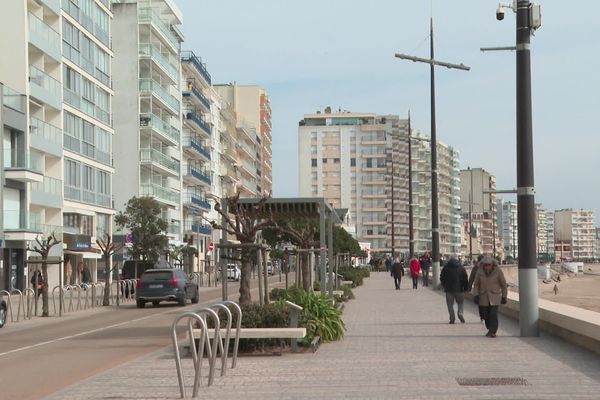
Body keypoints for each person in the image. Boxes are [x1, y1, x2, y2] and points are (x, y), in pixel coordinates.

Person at [472, 255, 508, 338]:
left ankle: (492, 331)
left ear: (492, 264)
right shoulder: (479, 271)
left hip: (494, 296)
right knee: (485, 314)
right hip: (483, 296)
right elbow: (476, 284)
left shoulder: (498, 271)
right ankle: (489, 327)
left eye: (489, 265)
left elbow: (503, 284)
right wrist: (476, 295)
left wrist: (504, 296)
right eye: (485, 265)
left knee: (493, 314)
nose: (487, 266)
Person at [440, 258, 469, 324]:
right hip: (459, 289)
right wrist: (466, 288)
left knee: (450, 304)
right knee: (460, 302)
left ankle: (452, 318)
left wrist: (444, 285)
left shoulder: (446, 268)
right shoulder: (461, 268)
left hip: (449, 289)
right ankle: (460, 313)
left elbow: (442, 277)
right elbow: (465, 278)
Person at [468, 255, 485, 322]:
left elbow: (471, 278)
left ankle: (482, 317)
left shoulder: (475, 268)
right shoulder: (487, 266)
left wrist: (469, 288)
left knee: (480, 303)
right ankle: (485, 315)